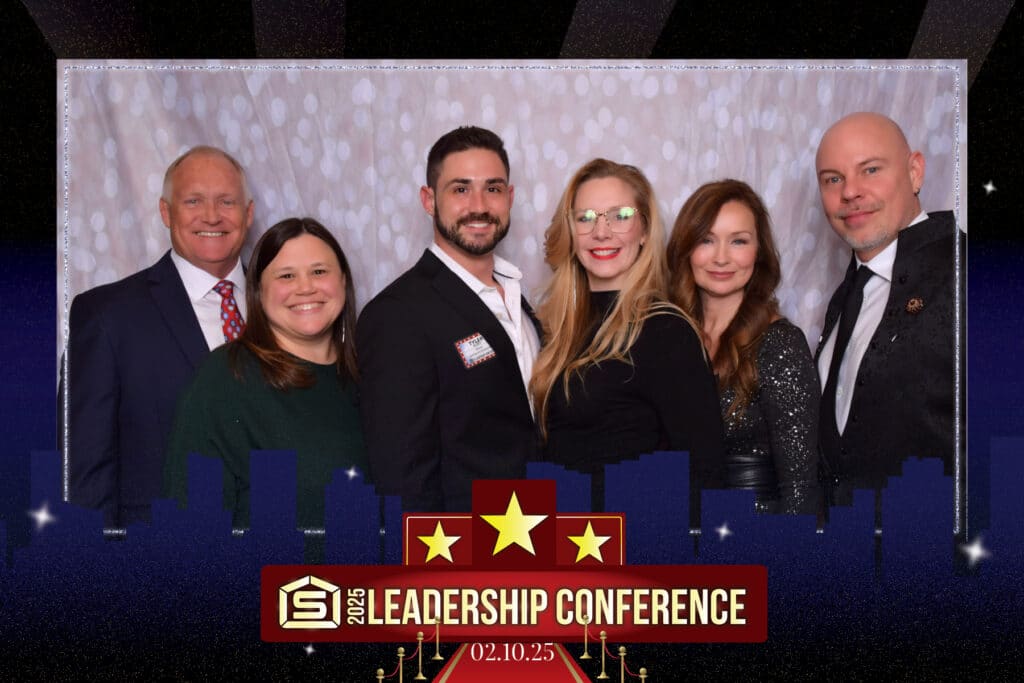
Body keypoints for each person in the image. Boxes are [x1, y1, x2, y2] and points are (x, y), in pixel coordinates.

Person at [64, 145, 254, 528]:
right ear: (166, 212)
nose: (212, 216)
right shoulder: (107, 317)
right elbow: (83, 472)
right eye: (194, 201)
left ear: (248, 214)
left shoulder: (291, 307)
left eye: (227, 201)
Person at [356, 126, 541, 512]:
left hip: (536, 541)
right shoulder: (397, 314)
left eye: (492, 188)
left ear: (509, 198)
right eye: (460, 189)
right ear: (429, 200)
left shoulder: (519, 300)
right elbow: (402, 476)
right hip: (465, 558)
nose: (478, 205)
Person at [530, 158, 724, 503]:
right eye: (585, 218)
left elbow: (705, 473)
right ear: (571, 231)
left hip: (633, 546)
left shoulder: (667, 331)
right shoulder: (556, 327)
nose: (601, 232)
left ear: (645, 230)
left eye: (620, 216)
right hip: (564, 542)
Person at [163, 217, 366, 530]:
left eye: (319, 271)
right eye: (286, 276)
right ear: (258, 291)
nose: (306, 287)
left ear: (343, 281)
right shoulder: (225, 380)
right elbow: (191, 527)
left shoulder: (375, 373)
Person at [813, 112, 964, 504]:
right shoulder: (845, 296)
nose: (849, 192)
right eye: (833, 179)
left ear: (915, 172)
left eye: (870, 170)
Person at [667, 179, 820, 515]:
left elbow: (801, 490)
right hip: (678, 540)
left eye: (738, 241)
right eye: (706, 240)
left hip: (755, 542)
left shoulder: (780, 343)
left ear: (758, 253)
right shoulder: (669, 337)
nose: (721, 258)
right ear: (686, 248)